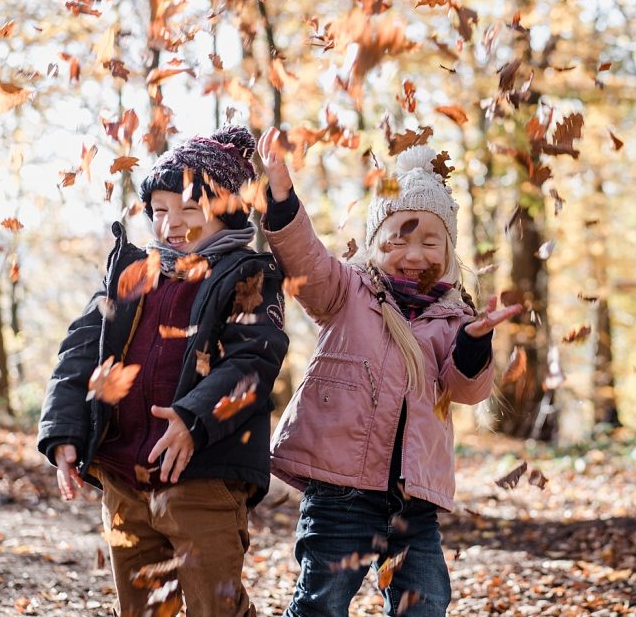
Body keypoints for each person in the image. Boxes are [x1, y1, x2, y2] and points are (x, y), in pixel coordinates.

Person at [257, 128, 522, 617]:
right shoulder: (346, 291)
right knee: (322, 604)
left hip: (413, 503)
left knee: (425, 604)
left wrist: (475, 340)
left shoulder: (453, 318)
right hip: (341, 492)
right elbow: (305, 259)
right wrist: (280, 192)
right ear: (376, 242)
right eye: (400, 238)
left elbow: (465, 390)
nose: (415, 254)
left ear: (449, 250)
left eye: (430, 241)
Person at [37, 125, 290, 617]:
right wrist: (64, 429)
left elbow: (254, 361)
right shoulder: (131, 275)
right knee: (143, 604)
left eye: (191, 209)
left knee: (212, 601)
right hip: (122, 472)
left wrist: (195, 418)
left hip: (204, 476)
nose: (171, 223)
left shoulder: (248, 276)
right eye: (159, 210)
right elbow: (80, 350)